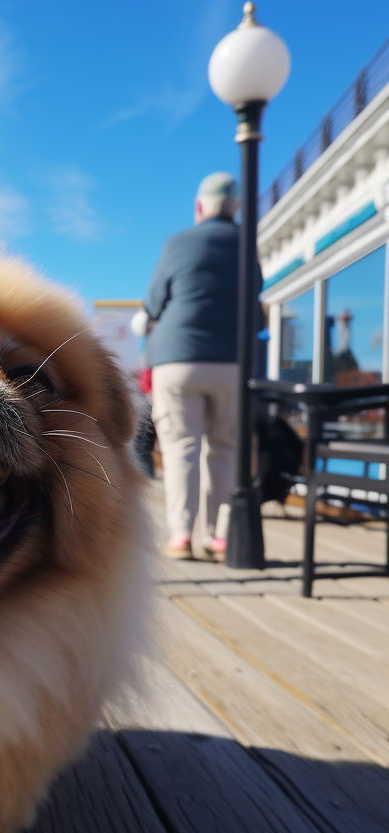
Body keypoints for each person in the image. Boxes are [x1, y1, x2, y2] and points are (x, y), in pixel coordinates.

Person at [139, 172, 261, 561]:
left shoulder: (178, 242)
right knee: (224, 447)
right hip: (234, 363)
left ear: (198, 208)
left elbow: (155, 302)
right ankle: (217, 535)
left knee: (180, 448)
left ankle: (180, 536)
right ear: (236, 206)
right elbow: (254, 298)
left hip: (178, 360)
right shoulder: (247, 243)